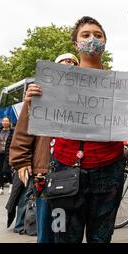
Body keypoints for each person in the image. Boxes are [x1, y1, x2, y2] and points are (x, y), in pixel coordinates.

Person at [25, 16, 128, 243]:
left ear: (105, 42)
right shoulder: (56, 82)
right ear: (75, 44)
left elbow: (126, 118)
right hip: (64, 170)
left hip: (109, 171)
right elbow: (42, 120)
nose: (92, 39)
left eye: (98, 35)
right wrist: (34, 101)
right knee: (63, 237)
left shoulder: (119, 84)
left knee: (101, 237)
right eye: (85, 35)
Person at [9, 52, 79, 243]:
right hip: (47, 174)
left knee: (65, 230)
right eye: (63, 64)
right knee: (47, 232)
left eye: (73, 64)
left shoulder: (82, 101)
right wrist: (21, 161)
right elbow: (23, 131)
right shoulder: (38, 96)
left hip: (74, 175)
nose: (68, 66)